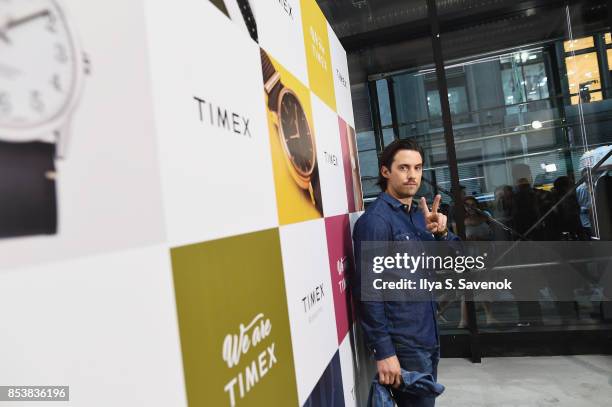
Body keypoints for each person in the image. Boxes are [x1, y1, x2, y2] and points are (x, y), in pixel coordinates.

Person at [352, 139, 459, 407]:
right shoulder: (376, 221)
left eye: (418, 168)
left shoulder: (419, 217)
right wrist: (384, 351)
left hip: (427, 334)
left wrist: (443, 233)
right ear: (386, 172)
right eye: (404, 167)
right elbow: (369, 291)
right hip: (403, 344)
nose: (412, 175)